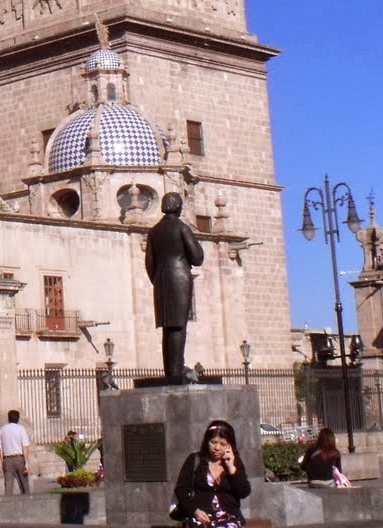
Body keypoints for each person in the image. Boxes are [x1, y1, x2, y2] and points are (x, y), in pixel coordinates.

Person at [146, 191, 205, 382]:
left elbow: (149, 263)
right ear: (179, 207)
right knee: (179, 326)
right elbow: (197, 258)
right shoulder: (182, 228)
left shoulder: (153, 232)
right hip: (179, 278)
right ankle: (177, 370)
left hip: (161, 280)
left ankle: (171, 370)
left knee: (167, 328)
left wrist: (156, 279)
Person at [172, 419, 250, 528]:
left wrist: (231, 469)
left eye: (223, 444)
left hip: (229, 520)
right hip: (200, 518)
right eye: (213, 442)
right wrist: (195, 511)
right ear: (206, 441)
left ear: (230, 446)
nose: (217, 448)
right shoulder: (195, 460)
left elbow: (243, 492)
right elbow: (181, 489)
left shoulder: (235, 463)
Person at [0, 409, 31, 494]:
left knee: (8, 486)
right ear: (18, 418)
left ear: (8, 418)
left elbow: (0, 448)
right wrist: (26, 463)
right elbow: (25, 447)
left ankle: (8, 505)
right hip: (19, 458)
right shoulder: (21, 429)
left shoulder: (2, 430)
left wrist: (2, 461)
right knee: (24, 485)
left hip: (7, 459)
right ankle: (27, 503)